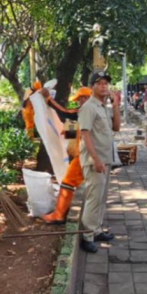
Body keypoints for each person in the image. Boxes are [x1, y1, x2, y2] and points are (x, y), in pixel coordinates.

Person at [79, 71, 120, 253]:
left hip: (106, 158)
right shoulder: (88, 107)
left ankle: (96, 229)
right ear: (92, 87)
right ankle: (87, 236)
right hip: (95, 160)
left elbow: (116, 127)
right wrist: (95, 159)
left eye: (106, 83)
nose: (104, 86)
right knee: (93, 198)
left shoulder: (103, 107)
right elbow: (85, 134)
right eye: (100, 83)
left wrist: (116, 105)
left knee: (102, 198)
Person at [39, 87, 92, 224]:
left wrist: (48, 99)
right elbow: (71, 124)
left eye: (80, 99)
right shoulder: (95, 110)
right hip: (91, 154)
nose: (79, 102)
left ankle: (59, 215)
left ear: (84, 98)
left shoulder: (85, 110)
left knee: (68, 182)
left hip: (86, 154)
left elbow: (65, 114)